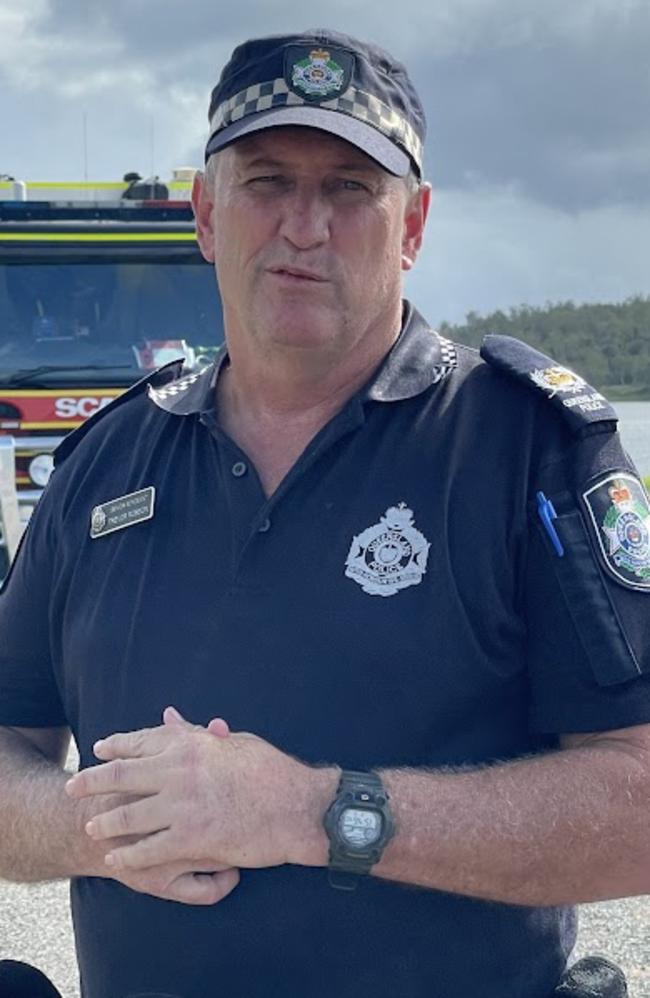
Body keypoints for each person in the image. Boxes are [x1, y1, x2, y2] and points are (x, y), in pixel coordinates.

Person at [0, 28, 648, 998]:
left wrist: (315, 812)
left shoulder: (525, 450)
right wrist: (105, 821)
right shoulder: (101, 464)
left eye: (350, 188)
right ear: (207, 215)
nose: (304, 226)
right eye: (267, 182)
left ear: (414, 225)